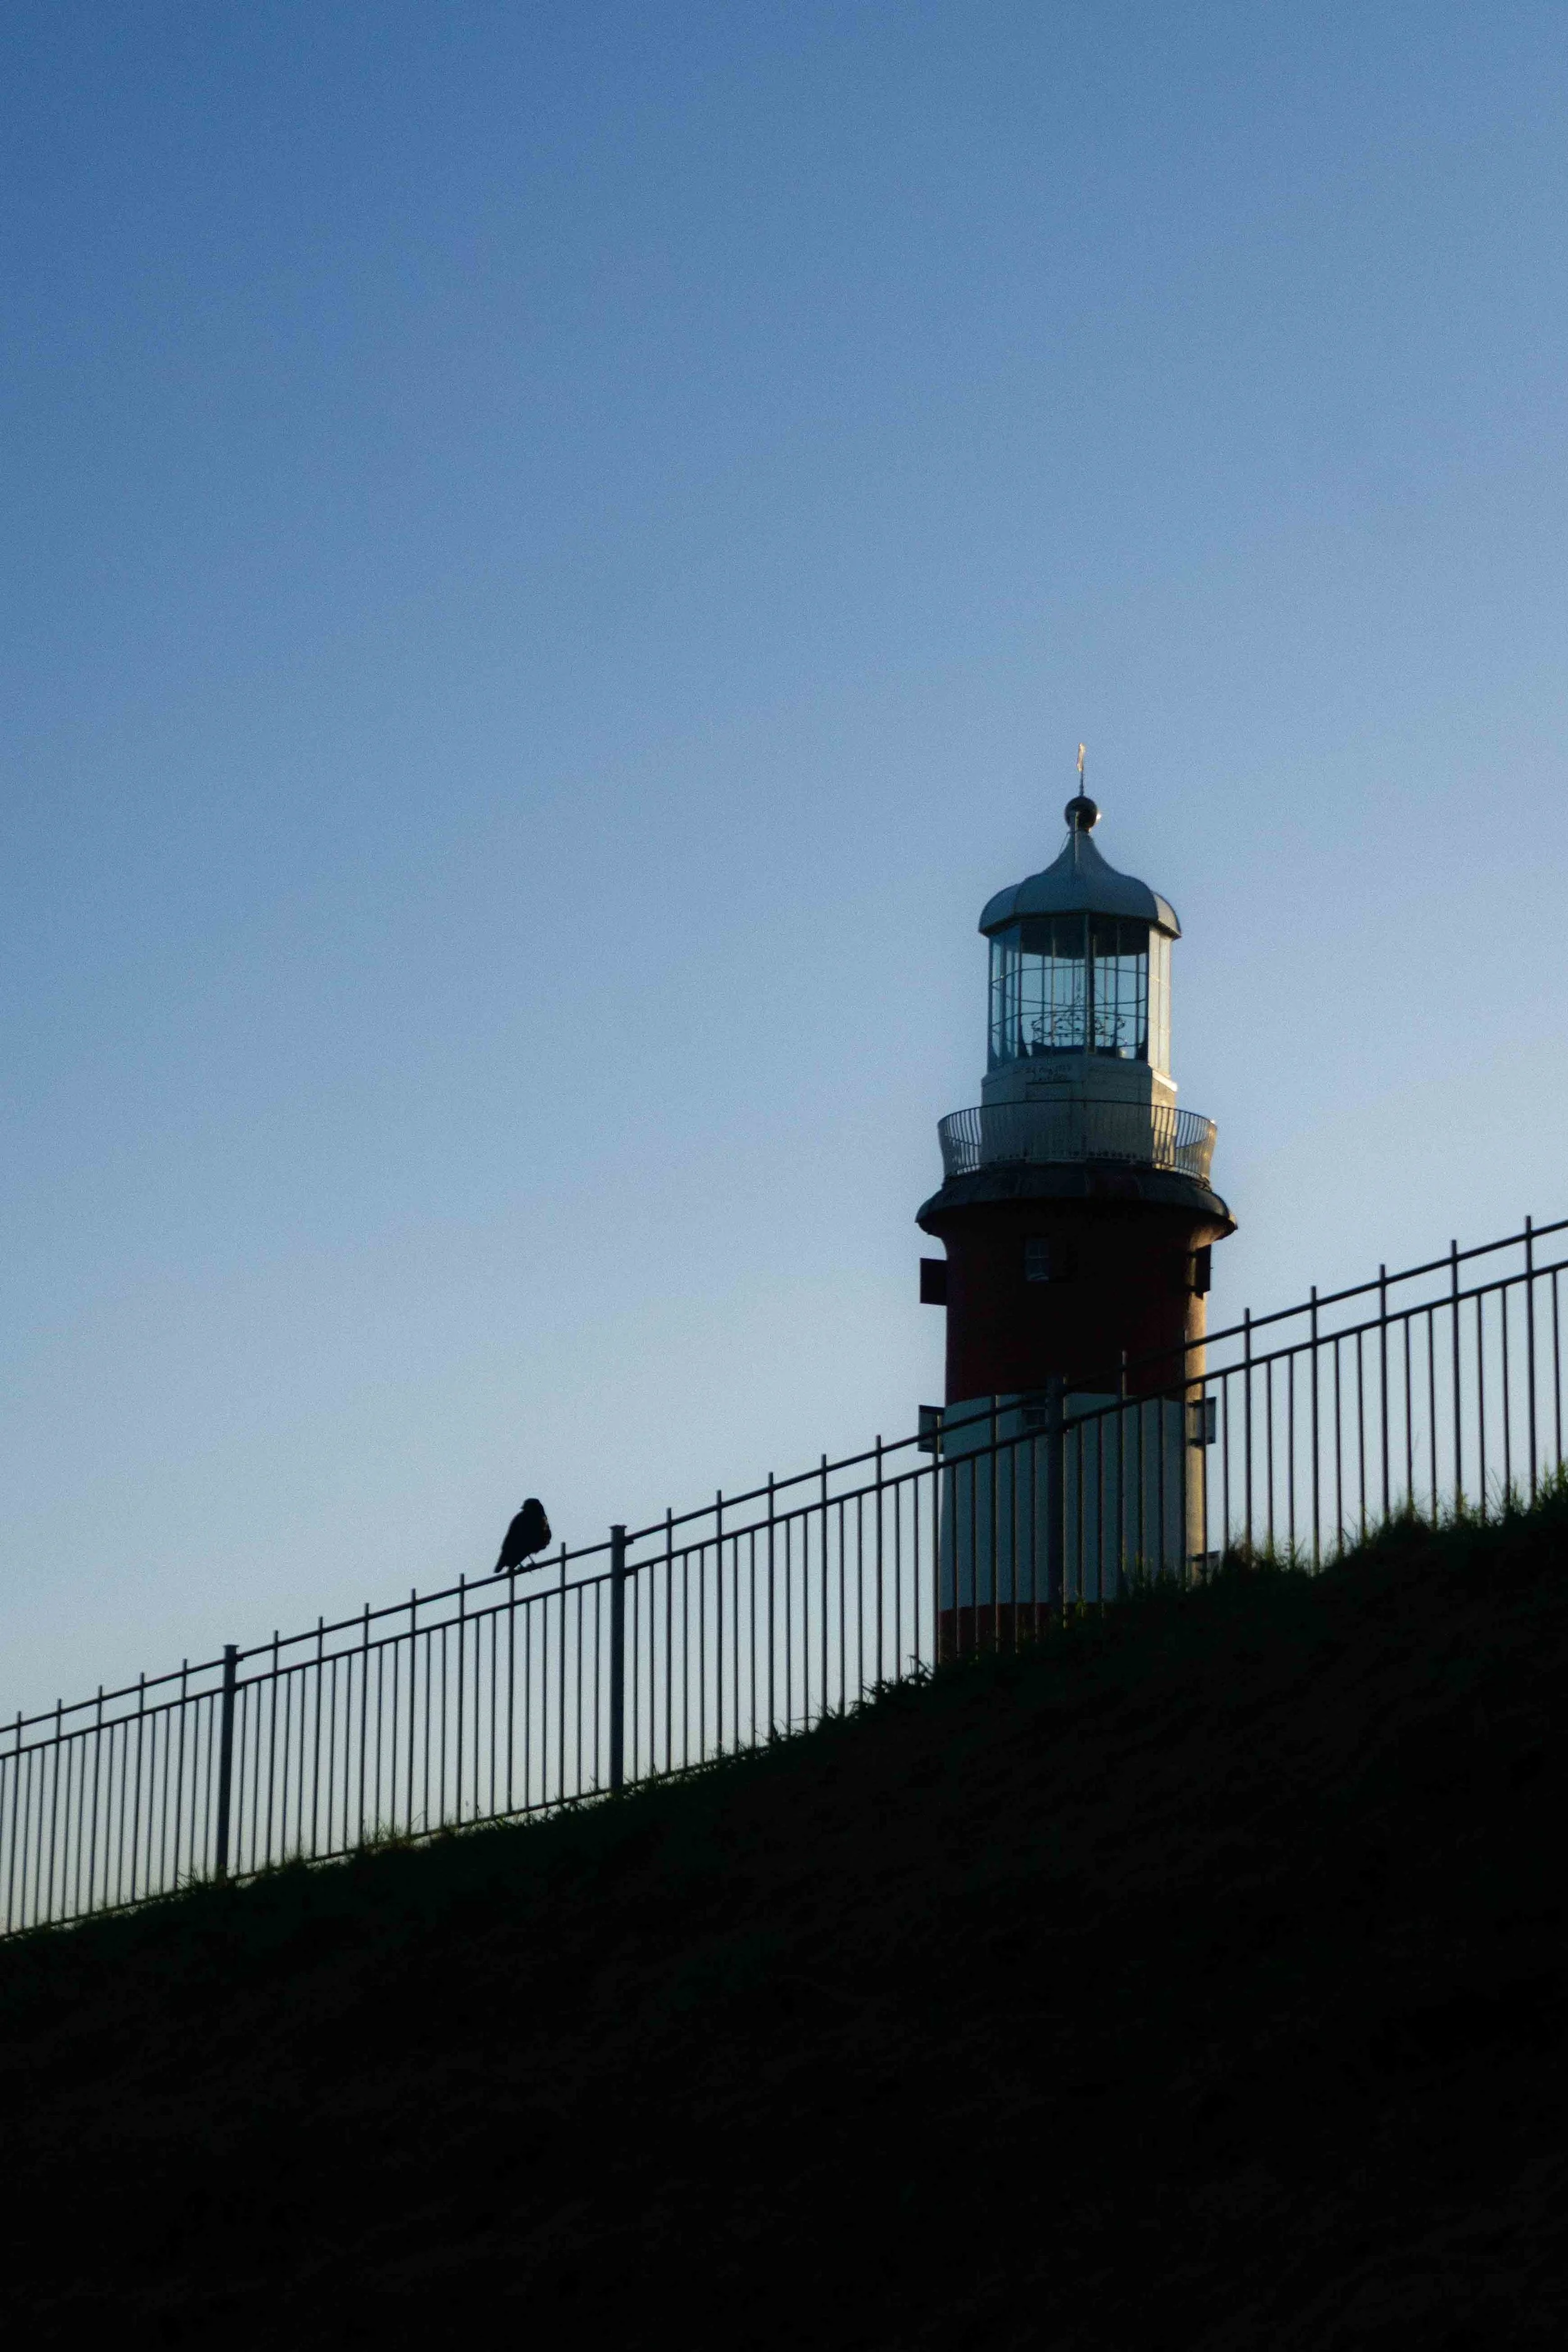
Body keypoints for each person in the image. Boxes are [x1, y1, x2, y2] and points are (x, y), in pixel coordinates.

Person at [494, 1496, 551, 1572]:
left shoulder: (523, 1518)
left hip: (517, 1545)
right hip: (522, 1544)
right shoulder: (538, 1518)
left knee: (521, 1552)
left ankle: (512, 1565)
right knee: (523, 1551)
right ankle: (513, 1565)